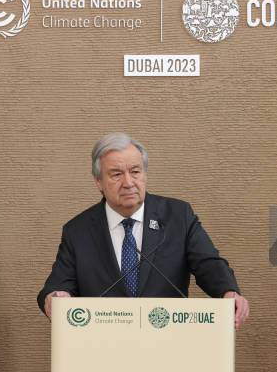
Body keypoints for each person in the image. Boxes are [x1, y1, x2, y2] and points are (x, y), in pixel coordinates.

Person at [37, 133, 249, 328]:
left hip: (167, 338)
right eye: (116, 174)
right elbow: (57, 285)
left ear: (145, 174)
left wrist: (228, 291)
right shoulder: (78, 231)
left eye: (135, 171)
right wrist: (55, 297)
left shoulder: (178, 216)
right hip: (104, 343)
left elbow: (208, 264)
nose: (128, 182)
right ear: (98, 182)